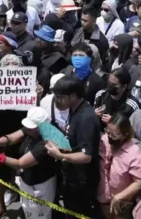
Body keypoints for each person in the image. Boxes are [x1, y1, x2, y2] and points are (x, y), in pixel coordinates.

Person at [0, 107, 59, 219]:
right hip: (27, 181)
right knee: (28, 211)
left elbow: (20, 163)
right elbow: (12, 138)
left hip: (40, 187)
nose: (27, 129)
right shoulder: (30, 130)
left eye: (31, 127)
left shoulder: (45, 143)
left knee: (40, 215)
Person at [44, 76, 100, 216]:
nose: (57, 100)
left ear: (74, 96)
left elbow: (86, 156)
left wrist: (61, 155)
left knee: (77, 212)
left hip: (82, 180)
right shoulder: (75, 109)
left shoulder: (86, 118)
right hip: (72, 174)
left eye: (60, 97)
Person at [96, 113, 141, 219]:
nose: (109, 137)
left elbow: (139, 183)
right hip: (103, 197)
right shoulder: (104, 140)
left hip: (122, 202)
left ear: (125, 135)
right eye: (108, 132)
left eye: (114, 135)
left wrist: (119, 197)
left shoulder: (133, 152)